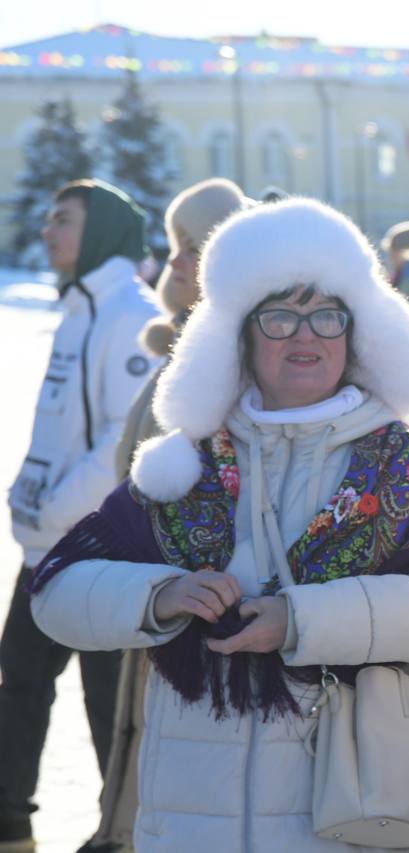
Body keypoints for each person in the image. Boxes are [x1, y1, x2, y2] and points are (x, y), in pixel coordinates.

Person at [27, 197, 409, 853]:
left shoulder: (403, 466)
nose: (305, 335)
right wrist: (160, 594)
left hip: (342, 823)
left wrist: (302, 620)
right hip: (187, 827)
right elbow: (55, 590)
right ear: (242, 337)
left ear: (354, 333)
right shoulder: (187, 466)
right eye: (279, 317)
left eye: (326, 315)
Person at [74, 178, 249, 853]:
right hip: (154, 599)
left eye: (193, 247)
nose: (175, 262)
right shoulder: (181, 356)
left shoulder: (228, 367)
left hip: (197, 616)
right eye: (175, 246)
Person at [0, 179, 162, 851]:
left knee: (108, 703)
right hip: (47, 545)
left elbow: (123, 444)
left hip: (97, 551)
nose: (48, 231)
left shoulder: (130, 313)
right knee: (20, 685)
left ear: (98, 231)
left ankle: (121, 831)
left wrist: (59, 508)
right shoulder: (79, 307)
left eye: (62, 219)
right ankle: (10, 821)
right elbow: (59, 424)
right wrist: (26, 490)